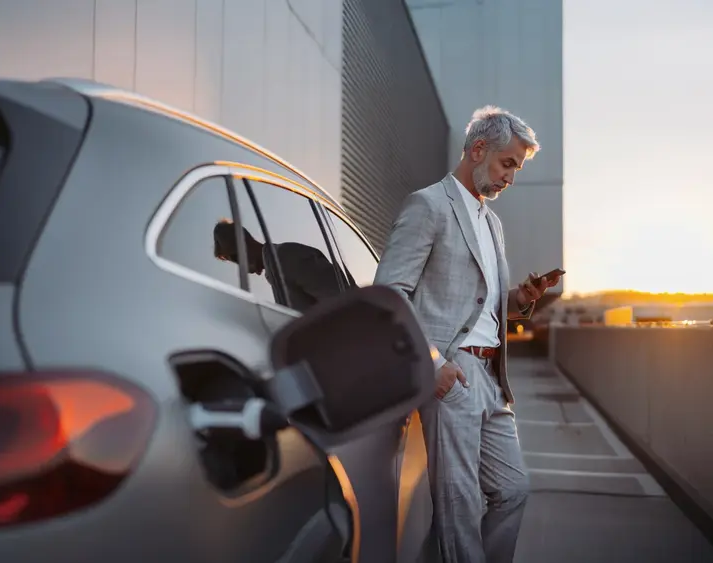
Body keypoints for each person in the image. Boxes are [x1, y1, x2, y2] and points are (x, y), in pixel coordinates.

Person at [373, 105, 561, 563]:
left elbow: (480, 303)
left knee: (513, 489)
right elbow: (390, 293)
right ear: (478, 149)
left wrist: (521, 296)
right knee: (457, 508)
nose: (510, 179)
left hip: (494, 380)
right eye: (507, 164)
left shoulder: (492, 223)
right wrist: (433, 363)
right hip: (452, 375)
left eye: (516, 167)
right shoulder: (428, 205)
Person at [212, 219, 344, 313]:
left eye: (236, 260)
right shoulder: (277, 269)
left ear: (241, 246)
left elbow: (344, 305)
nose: (245, 270)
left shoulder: (287, 257)